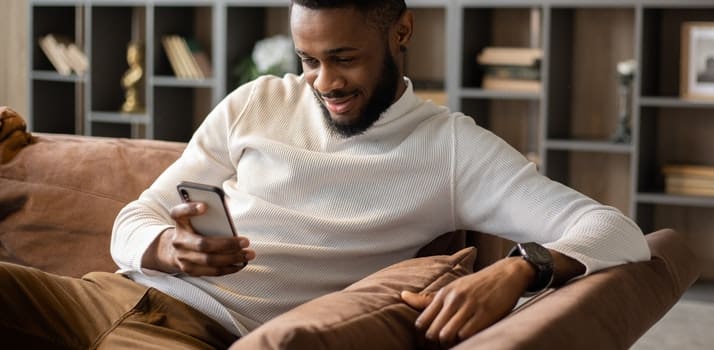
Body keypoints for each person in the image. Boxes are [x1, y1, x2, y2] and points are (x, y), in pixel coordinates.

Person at [0, 1, 650, 348]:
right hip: (99, 292)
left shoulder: (450, 150)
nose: (323, 83)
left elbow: (614, 230)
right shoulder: (258, 101)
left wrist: (519, 269)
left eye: (343, 59)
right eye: (308, 59)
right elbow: (132, 218)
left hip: (201, 334)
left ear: (402, 33)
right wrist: (165, 247)